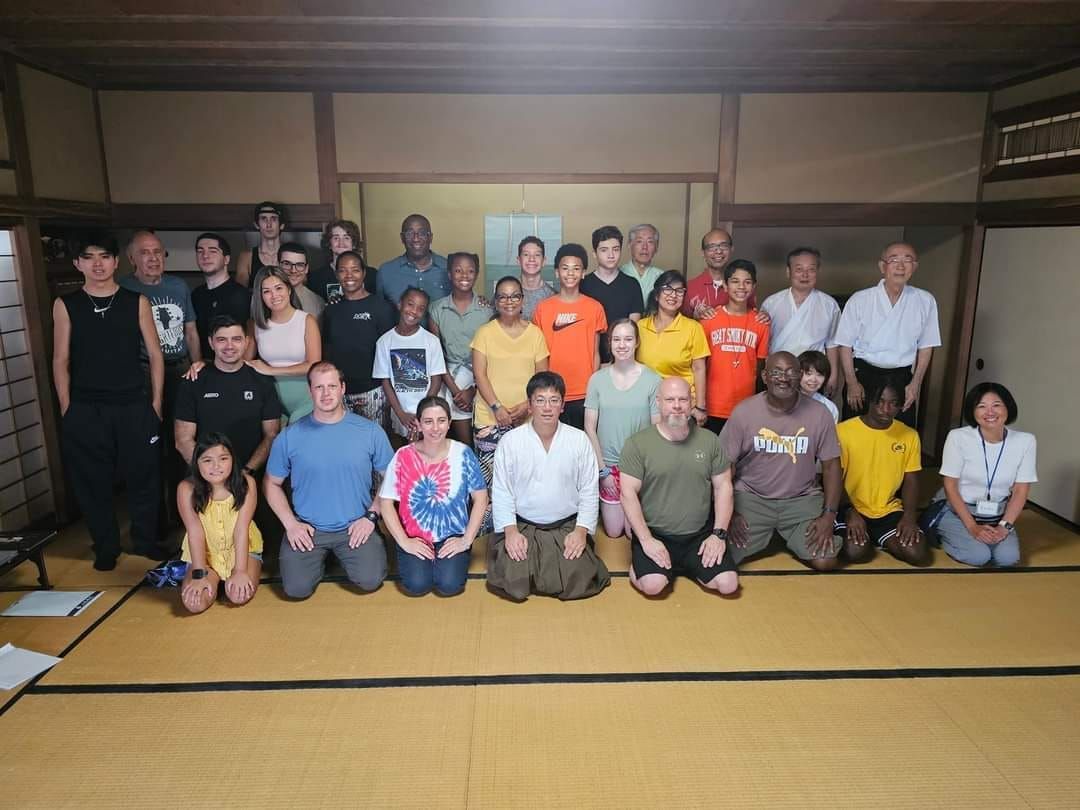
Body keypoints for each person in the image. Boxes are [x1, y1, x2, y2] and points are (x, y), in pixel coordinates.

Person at [52, 230, 166, 570]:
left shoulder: (136, 301)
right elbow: (60, 359)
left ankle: (145, 540)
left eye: (104, 257)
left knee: (143, 475)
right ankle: (105, 546)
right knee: (92, 480)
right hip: (86, 407)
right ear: (78, 264)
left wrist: (156, 402)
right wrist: (66, 406)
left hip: (133, 402)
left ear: (117, 262)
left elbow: (156, 356)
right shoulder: (66, 304)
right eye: (89, 257)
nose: (97, 264)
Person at [265, 362, 393, 599]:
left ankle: (365, 548)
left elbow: (392, 478)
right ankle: (319, 559)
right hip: (309, 527)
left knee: (370, 581)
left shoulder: (369, 431)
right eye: (319, 387)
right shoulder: (290, 436)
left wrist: (372, 515)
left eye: (332, 386)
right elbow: (271, 484)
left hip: (356, 526)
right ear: (309, 391)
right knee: (296, 589)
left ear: (343, 388)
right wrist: (291, 524)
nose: (326, 393)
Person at [488, 372, 610, 601]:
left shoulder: (579, 439)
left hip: (566, 525)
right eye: (540, 400)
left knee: (578, 579)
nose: (547, 407)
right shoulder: (511, 441)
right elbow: (502, 491)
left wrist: (581, 531)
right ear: (530, 405)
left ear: (562, 406)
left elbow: (589, 491)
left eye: (554, 400)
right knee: (514, 582)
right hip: (524, 525)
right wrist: (511, 531)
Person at [722, 352, 844, 571]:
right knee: (720, 557)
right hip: (751, 499)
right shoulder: (744, 412)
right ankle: (772, 534)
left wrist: (829, 515)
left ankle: (783, 534)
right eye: (776, 372)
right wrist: (727, 512)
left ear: (799, 376)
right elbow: (724, 467)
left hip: (801, 501)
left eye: (791, 372)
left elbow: (832, 466)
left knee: (825, 560)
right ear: (765, 376)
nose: (783, 378)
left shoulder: (820, 413)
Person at [619, 377, 738, 596]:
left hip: (698, 536)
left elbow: (724, 487)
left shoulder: (710, 441)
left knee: (728, 584)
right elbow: (627, 493)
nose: (676, 405)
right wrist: (646, 540)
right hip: (656, 534)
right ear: (658, 402)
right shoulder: (637, 443)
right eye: (670, 399)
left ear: (691, 402)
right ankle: (641, 566)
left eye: (682, 399)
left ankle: (686, 566)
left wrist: (718, 535)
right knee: (653, 586)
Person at [174, 315, 282, 547]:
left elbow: (272, 434)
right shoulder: (194, 381)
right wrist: (213, 475)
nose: (229, 346)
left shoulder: (262, 381)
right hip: (206, 481)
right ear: (211, 343)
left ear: (246, 342)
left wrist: (245, 473)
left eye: (236, 339)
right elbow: (183, 440)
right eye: (222, 340)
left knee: (264, 545)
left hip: (251, 477)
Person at [119, 229, 201, 527]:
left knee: (181, 443)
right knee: (148, 446)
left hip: (179, 369)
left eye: (157, 252)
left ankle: (185, 516)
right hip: (141, 374)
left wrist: (196, 366)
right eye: (144, 253)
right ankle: (154, 521)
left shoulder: (178, 286)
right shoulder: (123, 288)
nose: (153, 258)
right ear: (131, 259)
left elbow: (190, 330)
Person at [378, 397, 488, 596]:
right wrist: (404, 541)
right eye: (428, 421)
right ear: (418, 424)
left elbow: (481, 498)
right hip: (415, 535)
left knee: (449, 586)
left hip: (452, 534)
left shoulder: (463, 453)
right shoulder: (403, 456)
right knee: (417, 586)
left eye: (441, 420)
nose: (435, 428)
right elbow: (385, 503)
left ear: (449, 423)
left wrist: (466, 540)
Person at [471, 275, 549, 532]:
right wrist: (497, 408)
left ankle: (522, 532)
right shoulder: (484, 332)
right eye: (503, 296)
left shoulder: (535, 334)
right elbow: (479, 374)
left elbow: (542, 378)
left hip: (527, 418)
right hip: (489, 419)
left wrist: (527, 407)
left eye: (515, 295)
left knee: (525, 481)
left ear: (522, 300)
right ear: (495, 301)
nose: (509, 301)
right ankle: (496, 536)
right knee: (494, 484)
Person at [832, 242, 941, 427]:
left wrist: (915, 384)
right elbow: (844, 344)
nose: (900, 266)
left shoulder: (925, 300)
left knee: (900, 432)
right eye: (894, 260)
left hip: (902, 376)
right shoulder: (861, 299)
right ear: (882, 266)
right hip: (864, 375)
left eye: (907, 260)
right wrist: (851, 383)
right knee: (855, 431)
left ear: (914, 267)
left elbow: (926, 346)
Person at [935, 382, 1037, 567]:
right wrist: (972, 527)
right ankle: (946, 532)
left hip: (998, 513)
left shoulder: (1025, 441)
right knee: (978, 556)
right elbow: (950, 486)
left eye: (996, 405)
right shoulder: (958, 437)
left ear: (1008, 407)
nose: (990, 412)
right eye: (981, 406)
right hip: (958, 511)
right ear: (973, 412)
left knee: (1007, 559)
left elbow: (1021, 490)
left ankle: (983, 536)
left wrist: (1004, 527)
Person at [836, 380, 928, 566]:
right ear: (869, 401)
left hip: (888, 509)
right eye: (880, 402)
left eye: (893, 403)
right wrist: (849, 512)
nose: (886, 409)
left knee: (916, 554)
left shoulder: (909, 435)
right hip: (851, 507)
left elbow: (911, 479)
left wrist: (909, 516)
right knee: (855, 552)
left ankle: (878, 536)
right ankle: (867, 536)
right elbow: (833, 479)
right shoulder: (843, 431)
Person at [584, 319, 660, 539]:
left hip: (638, 466)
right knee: (614, 531)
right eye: (616, 339)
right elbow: (590, 426)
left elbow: (657, 428)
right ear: (610, 343)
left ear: (636, 343)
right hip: (608, 465)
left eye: (628, 339)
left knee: (631, 533)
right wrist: (602, 471)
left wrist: (647, 469)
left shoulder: (652, 379)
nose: (622, 345)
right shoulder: (597, 379)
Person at [177, 433, 262, 613]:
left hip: (240, 551)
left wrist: (240, 571)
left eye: (223, 458)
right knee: (194, 604)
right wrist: (199, 573)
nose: (216, 466)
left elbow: (241, 529)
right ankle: (213, 576)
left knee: (239, 596)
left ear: (232, 459)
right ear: (196, 463)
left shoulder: (247, 483)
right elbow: (194, 531)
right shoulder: (186, 488)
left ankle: (235, 573)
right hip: (205, 555)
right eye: (207, 460)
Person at [532, 243, 606, 430]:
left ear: (583, 273)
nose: (570, 273)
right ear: (557, 272)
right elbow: (537, 353)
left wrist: (594, 386)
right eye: (565, 268)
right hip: (553, 391)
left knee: (583, 444)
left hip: (584, 392)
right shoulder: (543, 308)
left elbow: (596, 352)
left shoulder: (594, 307)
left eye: (576, 268)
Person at [321, 250, 395, 428]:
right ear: (337, 274)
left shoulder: (381, 308)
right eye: (343, 270)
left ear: (363, 273)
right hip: (341, 392)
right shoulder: (331, 310)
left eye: (354, 270)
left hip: (373, 390)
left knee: (374, 442)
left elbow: (391, 351)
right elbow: (327, 349)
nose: (349, 275)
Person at [701, 259, 770, 434]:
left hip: (746, 406)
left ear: (754, 286)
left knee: (742, 459)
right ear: (725, 285)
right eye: (735, 281)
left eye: (747, 282)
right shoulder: (708, 320)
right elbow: (699, 365)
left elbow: (761, 368)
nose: (741, 287)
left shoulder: (761, 323)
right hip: (713, 405)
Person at [760, 247, 841, 395]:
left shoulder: (829, 305)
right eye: (799, 269)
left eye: (811, 269)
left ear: (818, 272)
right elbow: (762, 343)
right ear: (788, 272)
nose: (805, 275)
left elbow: (832, 343)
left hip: (813, 375)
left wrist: (833, 375)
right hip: (780, 373)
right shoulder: (771, 303)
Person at [246, 266, 321, 423]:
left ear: (288, 289)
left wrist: (271, 370)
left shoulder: (307, 320)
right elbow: (244, 363)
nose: (274, 295)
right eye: (266, 291)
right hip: (271, 402)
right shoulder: (256, 325)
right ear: (260, 296)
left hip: (307, 400)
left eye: (278, 288)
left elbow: (314, 364)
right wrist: (203, 365)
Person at [429, 251, 490, 446]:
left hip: (480, 378)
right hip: (447, 378)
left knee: (477, 438)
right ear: (449, 274)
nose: (464, 275)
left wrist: (472, 390)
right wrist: (457, 391)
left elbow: (493, 356)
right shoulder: (437, 309)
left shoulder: (487, 310)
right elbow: (436, 355)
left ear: (477, 274)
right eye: (458, 270)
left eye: (470, 271)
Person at [636, 270, 709, 427]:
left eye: (679, 291)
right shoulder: (640, 327)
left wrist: (700, 406)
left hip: (680, 407)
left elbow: (699, 369)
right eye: (667, 289)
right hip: (646, 404)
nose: (673, 295)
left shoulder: (693, 328)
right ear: (657, 295)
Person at [373, 288, 447, 442]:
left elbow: (436, 380)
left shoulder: (431, 341)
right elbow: (385, 382)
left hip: (428, 414)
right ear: (400, 305)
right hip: (400, 414)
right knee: (403, 455)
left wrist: (422, 415)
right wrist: (401, 414)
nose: (414, 311)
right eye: (410, 304)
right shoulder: (384, 342)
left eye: (420, 308)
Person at [580, 226, 643, 364]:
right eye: (604, 250)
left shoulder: (631, 285)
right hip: (588, 359)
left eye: (615, 249)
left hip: (623, 359)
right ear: (594, 254)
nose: (611, 255)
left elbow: (633, 327)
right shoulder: (582, 285)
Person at [191, 232, 251, 361]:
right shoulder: (196, 294)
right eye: (200, 251)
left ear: (226, 259)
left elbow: (251, 336)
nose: (205, 256)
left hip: (233, 368)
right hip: (203, 367)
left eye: (213, 251)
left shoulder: (242, 295)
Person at [376, 213, 450, 314]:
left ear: (430, 237)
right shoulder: (386, 272)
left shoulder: (449, 269)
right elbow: (379, 313)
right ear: (402, 238)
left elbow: (465, 300)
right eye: (409, 233)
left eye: (422, 233)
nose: (416, 239)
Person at [682, 228, 760, 319]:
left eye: (723, 246)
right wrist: (695, 317)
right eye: (711, 247)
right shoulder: (689, 287)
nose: (718, 251)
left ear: (731, 249)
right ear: (703, 253)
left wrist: (762, 316)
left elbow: (752, 317)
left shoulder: (743, 286)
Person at [307, 219, 375, 302]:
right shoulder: (316, 277)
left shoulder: (371, 275)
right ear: (329, 244)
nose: (341, 242)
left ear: (354, 244)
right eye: (336, 238)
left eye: (346, 238)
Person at [236, 201, 286, 288]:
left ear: (281, 225)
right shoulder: (247, 257)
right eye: (264, 219)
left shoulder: (291, 255)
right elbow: (240, 290)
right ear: (256, 224)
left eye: (273, 219)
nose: (269, 224)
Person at [278, 242, 326, 319]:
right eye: (287, 264)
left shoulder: (318, 302)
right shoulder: (266, 297)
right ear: (278, 266)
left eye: (299, 265)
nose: (293, 270)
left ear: (306, 269)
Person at [620, 224, 664, 305]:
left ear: (656, 247)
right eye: (639, 241)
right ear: (629, 245)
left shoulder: (662, 277)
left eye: (650, 242)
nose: (644, 247)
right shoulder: (619, 273)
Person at [516, 236, 556, 320]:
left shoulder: (553, 296)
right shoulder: (506, 293)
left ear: (544, 261)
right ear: (518, 260)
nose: (531, 259)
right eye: (526, 254)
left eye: (537, 255)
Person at [798, 350, 839, 423]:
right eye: (808, 373)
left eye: (819, 375)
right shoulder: (786, 402)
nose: (813, 379)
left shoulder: (829, 407)